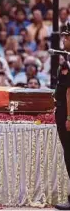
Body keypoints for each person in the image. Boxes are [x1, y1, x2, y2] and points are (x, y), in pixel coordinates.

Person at [54, 22, 70, 210]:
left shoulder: (67, 63)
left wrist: (68, 118)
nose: (64, 39)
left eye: (67, 37)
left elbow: (68, 93)